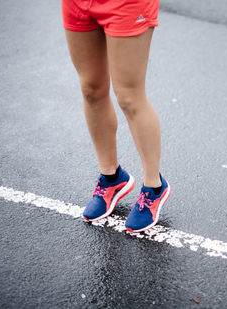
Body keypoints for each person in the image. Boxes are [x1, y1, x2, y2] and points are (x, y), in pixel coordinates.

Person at [62, 0, 170, 232]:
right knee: (91, 89)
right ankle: (112, 178)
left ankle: (154, 187)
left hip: (126, 4)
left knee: (129, 97)